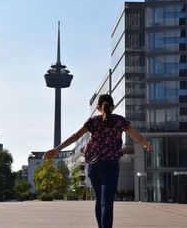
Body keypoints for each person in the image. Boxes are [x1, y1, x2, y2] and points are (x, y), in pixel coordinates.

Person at [44, 94, 153, 228]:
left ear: (98, 107)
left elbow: (75, 136)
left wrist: (57, 149)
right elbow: (137, 137)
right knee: (107, 203)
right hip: (111, 166)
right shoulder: (120, 121)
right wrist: (146, 144)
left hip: (93, 166)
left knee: (99, 200)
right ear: (112, 107)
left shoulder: (93, 121)